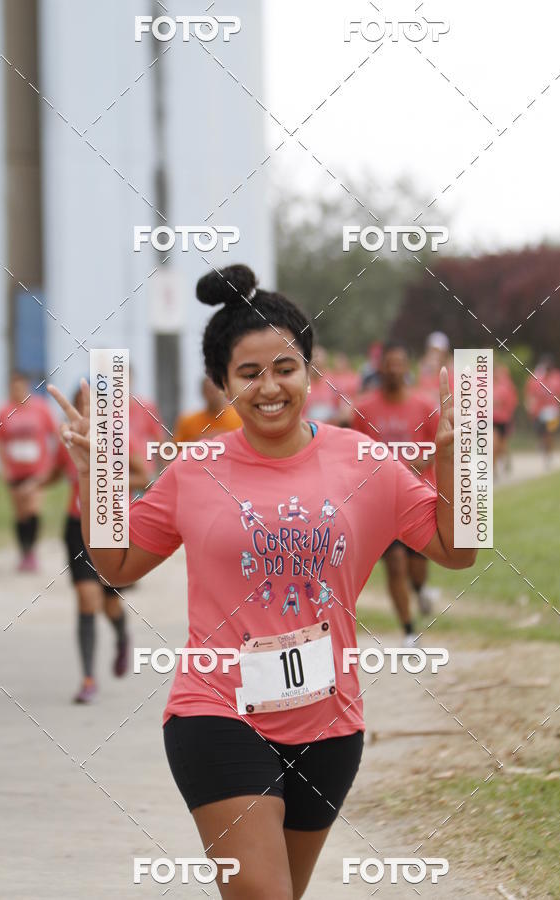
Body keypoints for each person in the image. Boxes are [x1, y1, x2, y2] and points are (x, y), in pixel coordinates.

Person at [49, 264, 475, 900]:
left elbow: (456, 551)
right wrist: (96, 477)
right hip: (215, 711)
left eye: (285, 368)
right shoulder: (195, 469)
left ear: (310, 370)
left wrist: (460, 464)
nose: (269, 387)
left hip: (330, 724)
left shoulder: (365, 461)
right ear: (222, 385)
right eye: (248, 373)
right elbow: (117, 565)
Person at [45, 382, 149, 703]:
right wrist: (34, 484)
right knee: (86, 599)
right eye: (79, 402)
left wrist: (106, 476)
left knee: (109, 603)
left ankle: (121, 637)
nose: (84, 409)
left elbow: (143, 477)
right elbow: (55, 471)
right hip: (77, 526)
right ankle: (88, 678)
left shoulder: (120, 438)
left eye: (91, 403)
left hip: (112, 527)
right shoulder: (67, 439)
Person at [351, 341, 440, 637]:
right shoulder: (363, 409)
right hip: (381, 504)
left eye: (399, 363)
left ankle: (421, 589)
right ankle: (409, 631)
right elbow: (354, 452)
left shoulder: (424, 406)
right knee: (394, 563)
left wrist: (419, 461)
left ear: (407, 367)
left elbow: (440, 445)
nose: (393, 369)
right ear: (380, 368)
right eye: (388, 363)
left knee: (417, 567)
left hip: (418, 499)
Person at [0, 372, 58, 571]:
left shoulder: (41, 408)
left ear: (28, 387)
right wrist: (3, 467)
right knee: (20, 513)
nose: (17, 392)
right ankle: (23, 551)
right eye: (13, 388)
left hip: (36, 469)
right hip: (15, 470)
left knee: (33, 509)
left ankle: (31, 551)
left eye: (20, 387)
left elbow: (54, 435)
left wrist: (50, 465)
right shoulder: (4, 411)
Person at [524, 355, 560, 469]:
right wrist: (530, 406)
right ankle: (544, 445)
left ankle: (548, 456)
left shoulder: (558, 377)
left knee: (549, 433)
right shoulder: (536, 378)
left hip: (553, 411)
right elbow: (530, 393)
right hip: (539, 411)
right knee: (542, 434)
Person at [174, 375, 242, 445]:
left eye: (216, 390)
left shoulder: (240, 417)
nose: (213, 394)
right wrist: (198, 441)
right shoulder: (188, 421)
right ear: (203, 392)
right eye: (209, 390)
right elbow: (177, 448)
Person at [493, 365, 519, 476]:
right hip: (489, 421)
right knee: (493, 444)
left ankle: (505, 460)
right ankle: (493, 469)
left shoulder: (505, 387)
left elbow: (511, 403)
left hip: (502, 420)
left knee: (501, 445)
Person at [417, 331, 453, 404]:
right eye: (432, 351)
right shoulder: (424, 372)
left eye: (438, 351)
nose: (435, 355)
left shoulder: (450, 373)